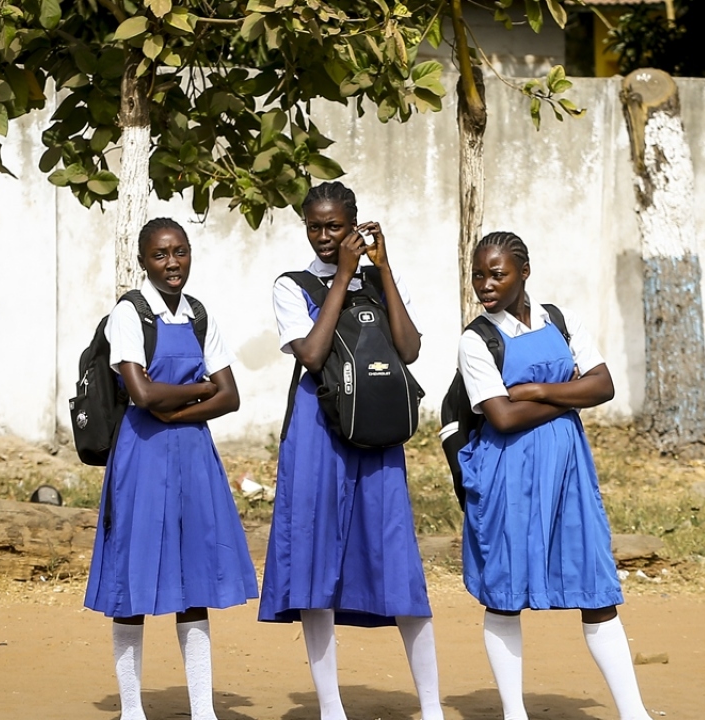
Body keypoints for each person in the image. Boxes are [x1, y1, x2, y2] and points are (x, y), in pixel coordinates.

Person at [258, 181, 445, 720]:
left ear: (355, 224)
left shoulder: (381, 280)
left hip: (378, 431)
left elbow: (409, 348)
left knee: (397, 559)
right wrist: (342, 275)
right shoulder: (292, 285)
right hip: (318, 431)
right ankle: (331, 707)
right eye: (314, 227)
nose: (324, 236)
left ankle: (431, 706)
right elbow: (313, 355)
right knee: (315, 565)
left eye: (335, 226)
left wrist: (382, 269)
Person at [456, 231, 653, 720]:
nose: (485, 285)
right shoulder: (477, 340)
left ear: (524, 272)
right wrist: (569, 393)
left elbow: (604, 386)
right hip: (508, 477)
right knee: (505, 593)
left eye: (497, 274)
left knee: (596, 587)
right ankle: (514, 713)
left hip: (569, 473)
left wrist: (537, 390)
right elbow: (502, 418)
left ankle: (634, 713)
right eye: (478, 275)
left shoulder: (560, 321)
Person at [84, 218, 258, 720]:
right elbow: (141, 393)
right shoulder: (129, 313)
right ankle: (132, 709)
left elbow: (230, 396)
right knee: (131, 581)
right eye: (160, 255)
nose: (172, 263)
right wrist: (201, 390)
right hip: (141, 457)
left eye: (180, 251)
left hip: (193, 456)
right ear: (143, 261)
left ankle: (202, 709)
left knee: (193, 580)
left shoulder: (200, 315)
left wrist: (176, 408)